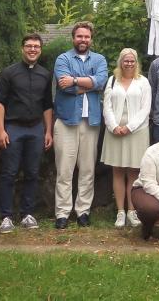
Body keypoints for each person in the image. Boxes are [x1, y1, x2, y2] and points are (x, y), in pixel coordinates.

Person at [0, 34, 53, 233]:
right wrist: (0, 130)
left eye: (36, 46)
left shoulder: (45, 74)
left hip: (36, 129)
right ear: (22, 49)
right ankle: (6, 216)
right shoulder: (9, 73)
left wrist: (48, 131)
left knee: (32, 173)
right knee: (9, 173)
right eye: (29, 46)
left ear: (40, 50)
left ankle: (28, 214)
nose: (32, 49)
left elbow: (47, 105)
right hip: (13, 128)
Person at [51, 21, 108, 230]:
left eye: (86, 37)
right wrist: (88, 85)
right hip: (67, 120)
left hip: (90, 121)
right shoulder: (63, 59)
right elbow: (62, 87)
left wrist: (74, 81)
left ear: (91, 39)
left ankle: (83, 211)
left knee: (87, 169)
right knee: (64, 170)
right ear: (73, 38)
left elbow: (101, 82)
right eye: (79, 36)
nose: (83, 40)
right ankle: (62, 213)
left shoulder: (99, 59)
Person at [102, 47, 152, 229]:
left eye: (132, 60)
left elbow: (145, 108)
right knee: (117, 171)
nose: (129, 63)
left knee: (133, 172)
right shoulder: (112, 80)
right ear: (120, 62)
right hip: (114, 131)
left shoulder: (143, 82)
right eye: (126, 60)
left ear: (136, 62)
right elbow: (106, 106)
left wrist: (129, 127)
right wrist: (114, 126)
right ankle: (120, 212)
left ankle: (132, 211)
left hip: (137, 131)